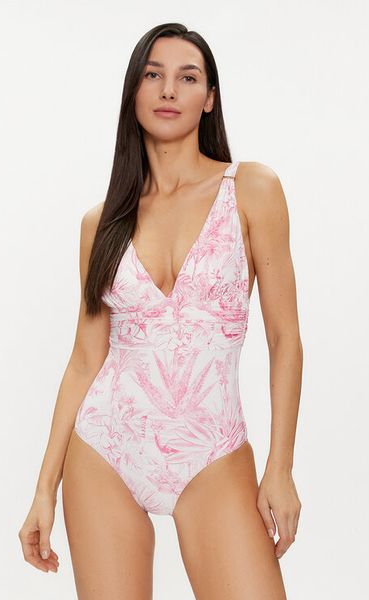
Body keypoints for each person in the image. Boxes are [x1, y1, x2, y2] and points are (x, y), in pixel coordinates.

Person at [19, 22, 303, 600]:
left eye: (187, 77)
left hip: (213, 454)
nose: (169, 90)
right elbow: (85, 359)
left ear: (210, 98)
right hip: (105, 450)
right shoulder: (101, 225)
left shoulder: (251, 189)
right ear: (134, 91)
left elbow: (284, 339)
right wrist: (44, 489)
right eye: (154, 75)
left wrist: (280, 466)